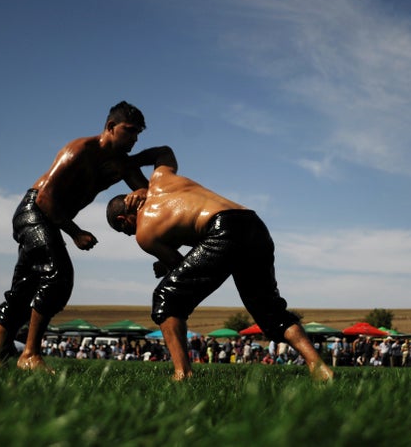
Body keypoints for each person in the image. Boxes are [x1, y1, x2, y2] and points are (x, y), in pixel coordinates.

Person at [105, 147, 333, 382]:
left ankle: (182, 373)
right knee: (271, 312)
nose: (131, 235)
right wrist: (131, 161)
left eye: (126, 231)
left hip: (223, 230)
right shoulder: (162, 180)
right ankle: (318, 367)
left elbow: (179, 265)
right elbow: (164, 151)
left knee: (166, 299)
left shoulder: (144, 233)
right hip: (254, 225)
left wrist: (164, 265)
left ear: (124, 219)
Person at [0, 101, 168, 371]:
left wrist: (143, 190)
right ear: (110, 127)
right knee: (57, 275)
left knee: (24, 286)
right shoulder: (79, 151)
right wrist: (75, 233)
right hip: (34, 211)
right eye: (129, 131)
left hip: (50, 217)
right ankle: (29, 354)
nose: (134, 139)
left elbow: (150, 185)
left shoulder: (121, 165)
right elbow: (46, 198)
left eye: (138, 134)